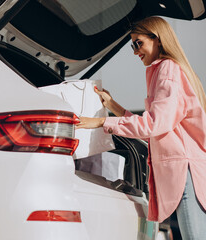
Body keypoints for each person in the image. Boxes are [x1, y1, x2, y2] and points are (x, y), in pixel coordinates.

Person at [76, 16, 206, 239]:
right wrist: (113, 106)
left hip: (183, 170)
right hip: (182, 169)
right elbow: (158, 128)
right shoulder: (163, 71)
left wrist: (100, 122)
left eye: (139, 43)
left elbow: (153, 125)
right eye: (132, 45)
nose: (136, 51)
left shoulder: (167, 69)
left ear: (158, 39)